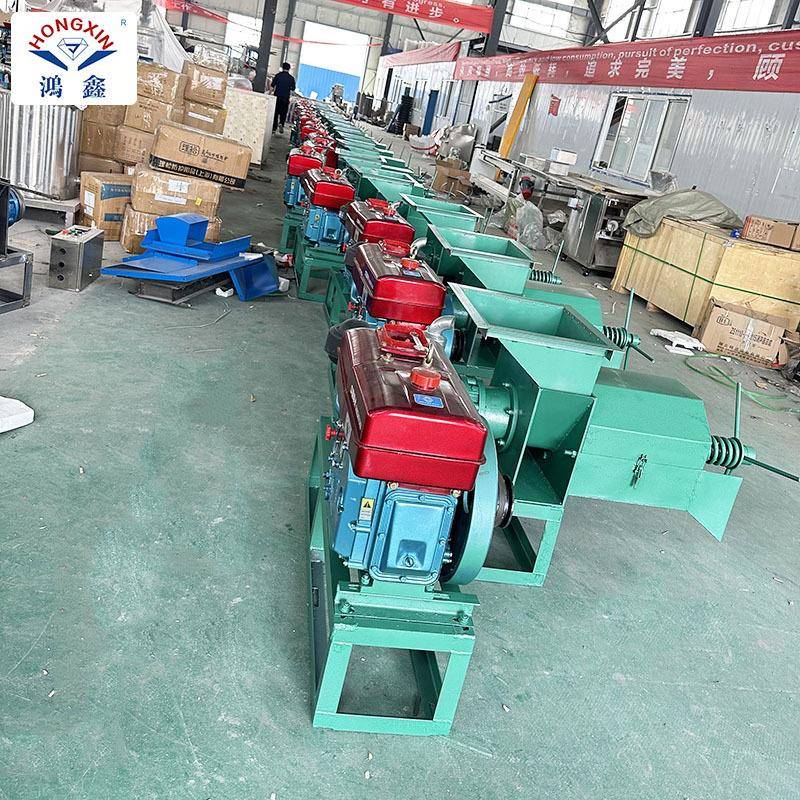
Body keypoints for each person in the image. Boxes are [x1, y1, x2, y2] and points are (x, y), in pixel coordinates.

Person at [271, 62, 296, 134]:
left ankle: (274, 128)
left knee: (275, 113)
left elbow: (272, 86)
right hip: (285, 98)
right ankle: (281, 123)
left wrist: (270, 93)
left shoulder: (278, 76)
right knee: (283, 113)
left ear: (282, 68)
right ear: (289, 69)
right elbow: (293, 88)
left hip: (277, 97)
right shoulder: (291, 78)